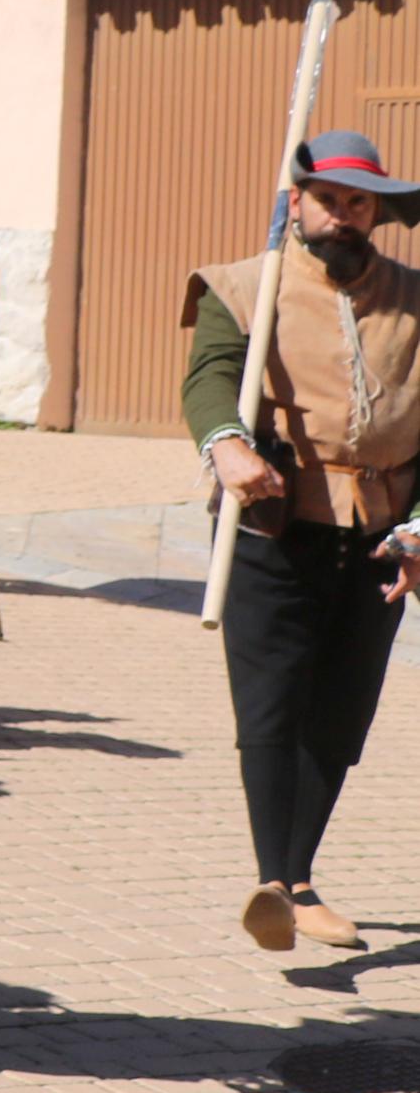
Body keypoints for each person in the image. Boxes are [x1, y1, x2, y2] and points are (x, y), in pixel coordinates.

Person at [182, 130, 420, 953]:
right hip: (270, 527)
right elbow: (209, 376)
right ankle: (279, 882)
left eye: (359, 202)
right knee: (271, 705)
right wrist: (226, 444)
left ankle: (290, 878)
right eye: (330, 199)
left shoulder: (414, 298)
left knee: (340, 710)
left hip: (382, 538)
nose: (344, 216)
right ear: (297, 202)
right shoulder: (245, 287)